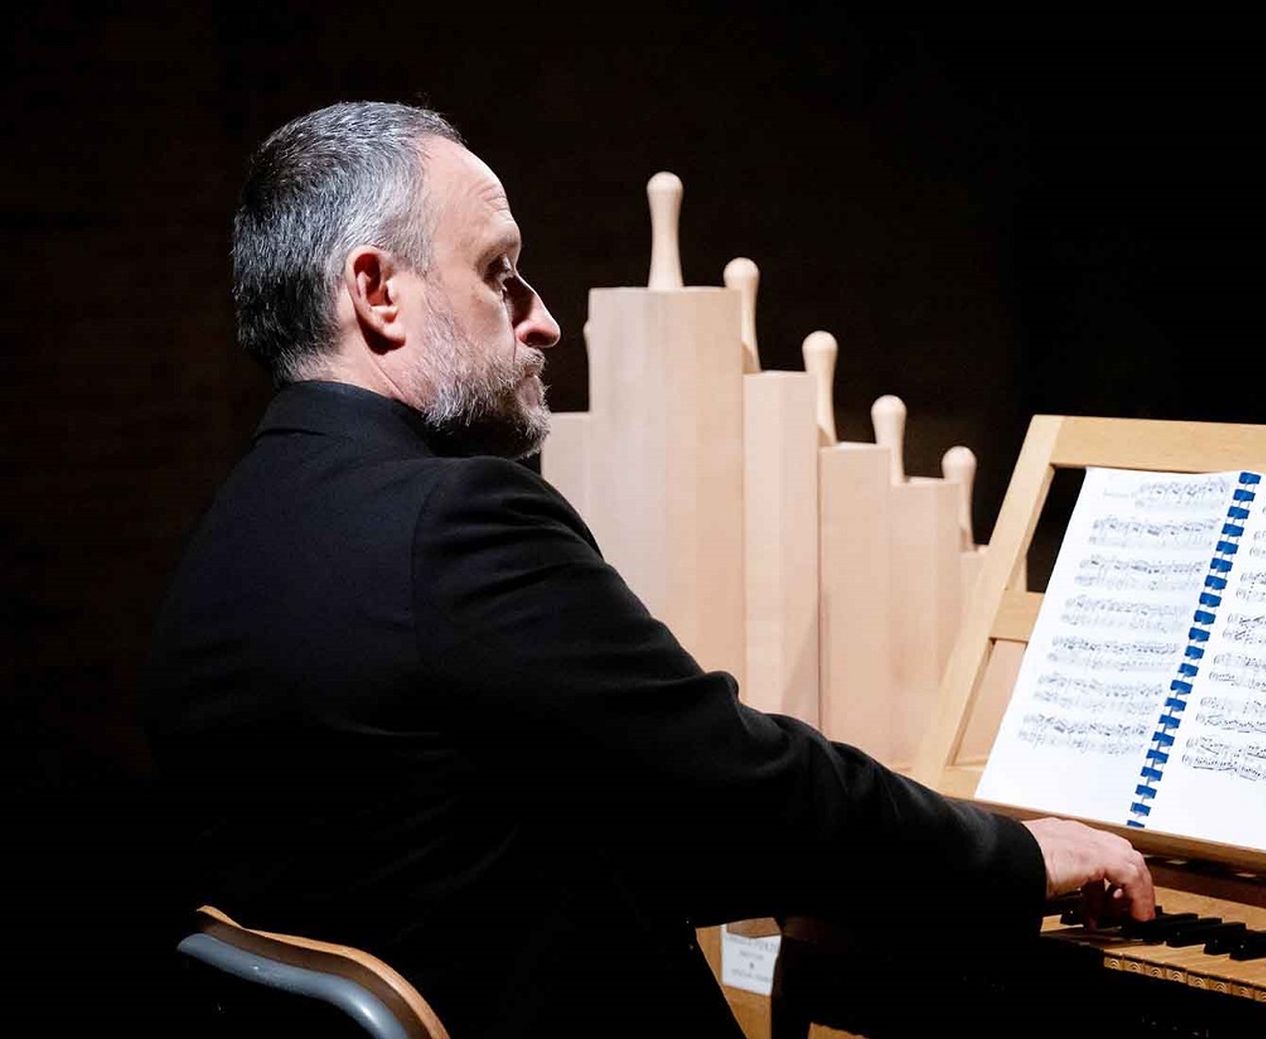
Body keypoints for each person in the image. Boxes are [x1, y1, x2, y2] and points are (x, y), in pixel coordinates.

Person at [146, 101, 1153, 1037]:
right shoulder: (453, 520)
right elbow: (744, 790)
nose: (541, 320)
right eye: (501, 274)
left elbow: (506, 830)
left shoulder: (232, 537)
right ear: (377, 292)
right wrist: (1016, 854)